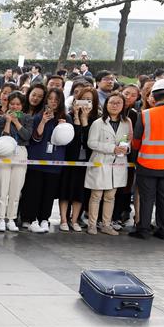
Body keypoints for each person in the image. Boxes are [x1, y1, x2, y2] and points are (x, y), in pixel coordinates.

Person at [130, 79, 164, 240]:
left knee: (147, 198)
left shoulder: (146, 115)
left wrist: (135, 159)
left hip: (146, 163)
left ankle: (143, 230)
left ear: (154, 96)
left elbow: (136, 141)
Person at [21, 87, 69, 233]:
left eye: (56, 99)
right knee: (33, 192)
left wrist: (63, 128)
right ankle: (31, 218)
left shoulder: (65, 118)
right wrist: (42, 121)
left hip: (55, 162)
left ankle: (44, 219)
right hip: (37, 160)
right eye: (50, 98)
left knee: (48, 194)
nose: (53, 102)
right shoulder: (38, 116)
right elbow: (35, 138)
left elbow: (67, 140)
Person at [84, 93, 132, 235]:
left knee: (110, 196)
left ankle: (106, 224)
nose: (115, 105)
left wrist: (125, 148)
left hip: (118, 163)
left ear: (123, 105)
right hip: (101, 162)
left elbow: (126, 139)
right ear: (106, 104)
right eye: (112, 102)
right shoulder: (98, 123)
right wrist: (112, 148)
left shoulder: (126, 122)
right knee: (96, 195)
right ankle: (92, 225)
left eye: (118, 103)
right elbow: (91, 143)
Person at [58, 85, 97, 232]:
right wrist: (76, 118)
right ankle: (63, 219)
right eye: (83, 99)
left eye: (89, 100)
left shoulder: (95, 120)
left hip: (85, 161)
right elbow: (72, 140)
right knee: (65, 189)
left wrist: (85, 119)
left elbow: (89, 141)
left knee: (79, 191)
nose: (85, 103)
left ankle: (74, 220)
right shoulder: (68, 116)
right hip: (69, 159)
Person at [0, 92, 32, 232]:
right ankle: (1, 219)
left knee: (16, 189)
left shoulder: (27, 118)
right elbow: (3, 137)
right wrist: (8, 121)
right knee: (2, 188)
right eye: (12, 104)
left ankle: (11, 219)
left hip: (20, 151)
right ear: (8, 104)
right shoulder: (1, 119)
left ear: (22, 106)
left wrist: (16, 121)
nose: (15, 107)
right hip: (4, 152)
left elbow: (27, 136)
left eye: (18, 104)